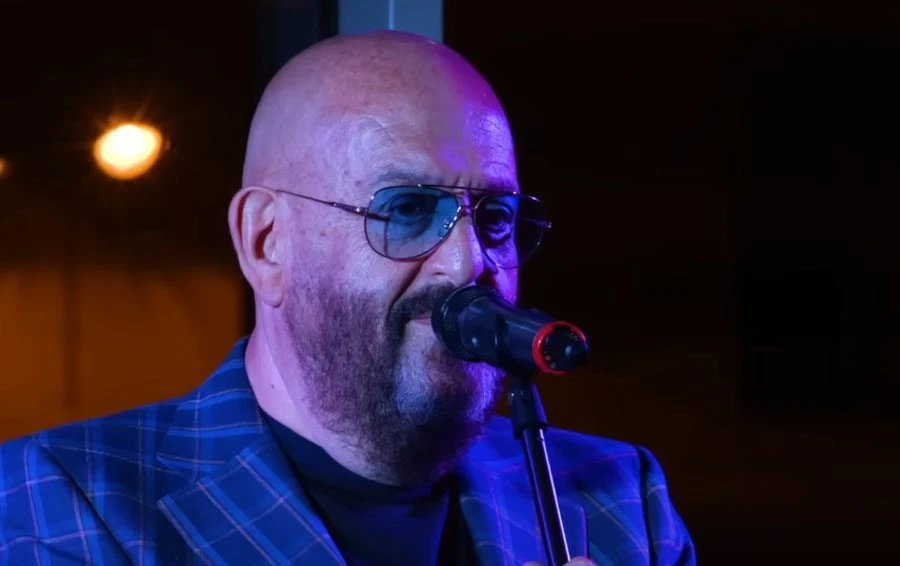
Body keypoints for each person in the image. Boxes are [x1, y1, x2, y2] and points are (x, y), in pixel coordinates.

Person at [0, 30, 695, 565]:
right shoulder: (62, 499)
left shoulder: (619, 503)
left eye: (494, 219)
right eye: (407, 209)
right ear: (267, 242)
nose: (467, 262)